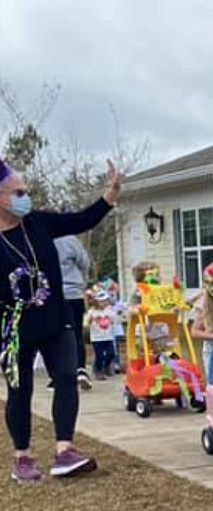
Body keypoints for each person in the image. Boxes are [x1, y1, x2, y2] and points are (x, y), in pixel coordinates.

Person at [1, 157, 122, 483]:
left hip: (56, 319)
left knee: (67, 377)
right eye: (18, 191)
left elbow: (80, 220)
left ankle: (64, 450)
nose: (26, 196)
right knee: (19, 390)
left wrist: (109, 196)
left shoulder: (39, 223)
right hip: (13, 329)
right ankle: (22, 458)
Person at [54, 233, 93, 390]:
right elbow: (85, 263)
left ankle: (58, 374)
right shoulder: (71, 240)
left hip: (52, 295)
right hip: (74, 293)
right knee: (76, 333)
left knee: (55, 335)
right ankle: (80, 369)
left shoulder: (39, 238)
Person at [85, 282, 118, 380]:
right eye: (102, 301)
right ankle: (98, 370)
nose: (104, 303)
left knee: (111, 353)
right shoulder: (92, 312)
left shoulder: (109, 310)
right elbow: (86, 322)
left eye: (105, 301)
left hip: (108, 336)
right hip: (97, 338)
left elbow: (114, 319)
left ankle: (107, 366)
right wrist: (89, 321)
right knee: (99, 355)